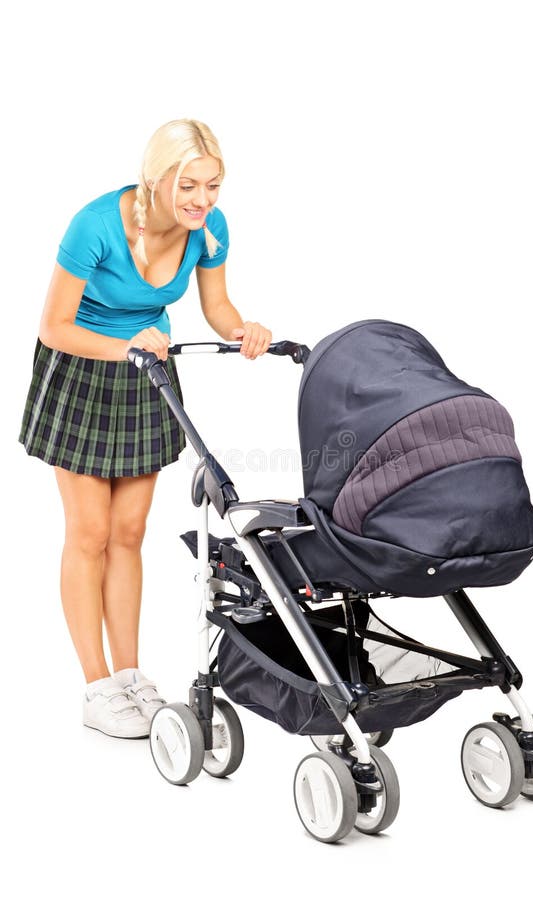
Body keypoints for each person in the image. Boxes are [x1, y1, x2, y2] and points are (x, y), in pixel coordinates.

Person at [19, 119, 272, 739]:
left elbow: (216, 307)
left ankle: (131, 676)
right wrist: (123, 342)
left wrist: (242, 330)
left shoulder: (208, 229)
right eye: (189, 185)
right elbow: (54, 325)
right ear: (157, 179)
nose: (202, 200)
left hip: (146, 370)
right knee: (90, 533)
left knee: (129, 533)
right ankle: (97, 686)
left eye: (213, 186)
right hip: (82, 368)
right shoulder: (97, 223)